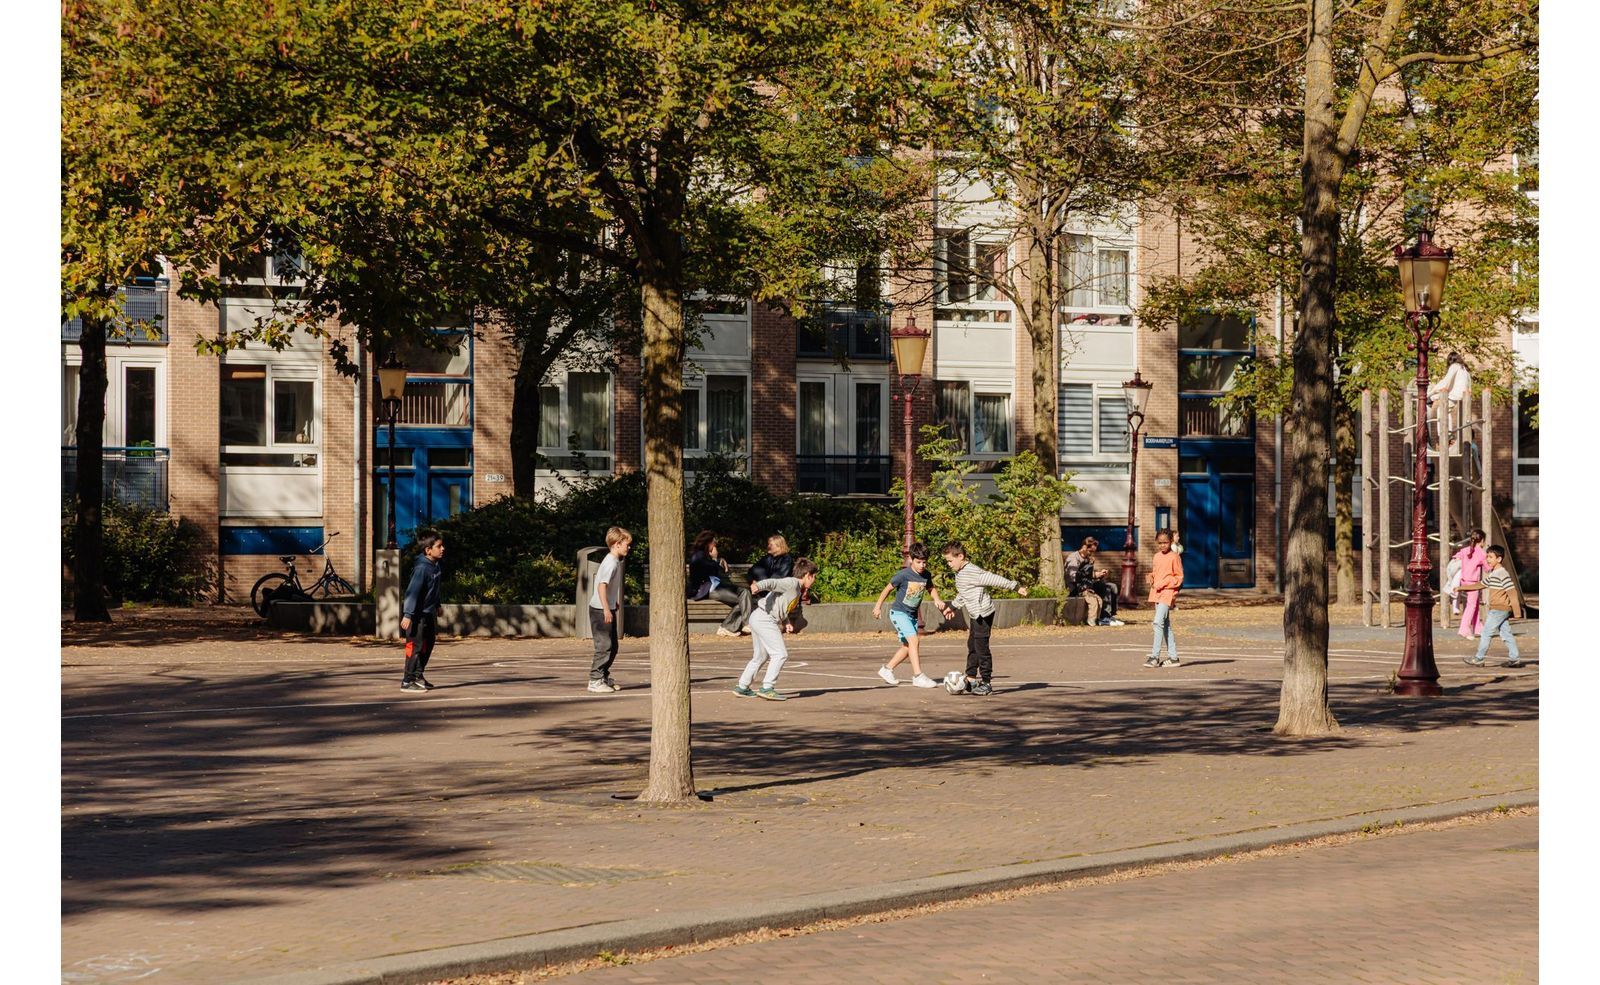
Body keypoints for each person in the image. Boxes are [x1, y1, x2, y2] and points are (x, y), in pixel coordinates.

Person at [941, 542, 1026, 696]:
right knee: (972, 644)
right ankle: (971, 679)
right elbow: (965, 592)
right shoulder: (960, 572)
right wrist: (953, 606)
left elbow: (994, 579)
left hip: (983, 614)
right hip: (975, 614)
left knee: (981, 648)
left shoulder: (973, 571)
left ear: (960, 556)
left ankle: (986, 683)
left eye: (950, 561)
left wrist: (1015, 586)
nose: (949, 564)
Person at [732, 558, 819, 701]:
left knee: (760, 656)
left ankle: (742, 686)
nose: (814, 580)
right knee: (780, 654)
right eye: (814, 577)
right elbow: (773, 583)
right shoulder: (792, 583)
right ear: (808, 575)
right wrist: (758, 586)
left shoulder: (796, 588)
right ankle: (767, 688)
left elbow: (779, 606)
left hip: (759, 617)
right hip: (765, 619)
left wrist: (786, 622)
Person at [872, 542, 955, 688]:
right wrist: (878, 607)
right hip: (899, 613)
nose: (922, 565)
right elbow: (887, 589)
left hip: (912, 615)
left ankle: (887, 669)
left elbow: (931, 588)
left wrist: (937, 599)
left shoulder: (926, 575)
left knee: (908, 646)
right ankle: (918, 676)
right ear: (911, 559)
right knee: (914, 641)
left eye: (924, 562)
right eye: (918, 562)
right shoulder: (903, 575)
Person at [1458, 545, 1524, 668]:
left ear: (1499, 559)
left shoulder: (1502, 573)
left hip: (1499, 610)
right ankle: (1514, 659)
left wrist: (1517, 612)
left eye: (1490, 557)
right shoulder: (1494, 573)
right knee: (1506, 634)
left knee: (1486, 633)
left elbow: (1512, 592)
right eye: (1487, 556)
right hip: (1499, 609)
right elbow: (1481, 584)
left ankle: (1479, 658)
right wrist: (1461, 588)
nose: (1487, 559)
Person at [587, 526, 632, 693]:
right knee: (604, 646)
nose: (629, 547)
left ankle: (603, 676)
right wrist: (606, 608)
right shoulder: (611, 563)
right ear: (617, 544)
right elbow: (601, 586)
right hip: (600, 610)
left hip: (606, 607)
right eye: (627, 544)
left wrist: (613, 603)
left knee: (613, 647)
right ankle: (595, 680)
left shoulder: (615, 561)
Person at [400, 530, 446, 692]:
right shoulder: (421, 568)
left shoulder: (435, 565)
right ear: (428, 550)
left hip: (428, 613)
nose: (442, 549)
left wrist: (437, 605)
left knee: (428, 645)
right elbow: (412, 592)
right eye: (439, 546)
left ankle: (418, 676)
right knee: (415, 647)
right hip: (416, 616)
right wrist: (408, 614)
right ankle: (407, 681)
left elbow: (433, 589)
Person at [687, 530, 753, 638]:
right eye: (714, 543)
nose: (715, 545)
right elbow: (708, 569)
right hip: (706, 590)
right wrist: (715, 559)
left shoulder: (705, 555)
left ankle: (740, 625)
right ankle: (729, 627)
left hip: (716, 586)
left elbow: (715, 569)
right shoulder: (698, 556)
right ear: (708, 543)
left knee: (744, 592)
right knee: (743, 601)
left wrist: (718, 560)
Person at [1143, 530, 1183, 668]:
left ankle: (1154, 656)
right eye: (1160, 543)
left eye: (1165, 542)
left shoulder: (1174, 557)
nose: (1162, 545)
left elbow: (1179, 577)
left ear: (1171, 541)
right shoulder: (1156, 556)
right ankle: (1173, 657)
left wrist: (1164, 583)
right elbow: (1156, 572)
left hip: (1167, 593)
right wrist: (1151, 577)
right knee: (1165, 625)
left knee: (1157, 623)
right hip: (1157, 593)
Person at [1071, 537, 1124, 626]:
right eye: (1090, 551)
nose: (1091, 553)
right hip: (1079, 587)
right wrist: (1093, 576)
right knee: (1105, 588)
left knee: (1112, 587)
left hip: (1088, 583)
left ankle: (1109, 616)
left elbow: (1089, 574)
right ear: (1084, 547)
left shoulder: (1088, 558)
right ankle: (1104, 617)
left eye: (1093, 552)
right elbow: (1073, 576)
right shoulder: (1074, 558)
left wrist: (1099, 574)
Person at [1452, 528, 1488, 640]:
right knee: (1471, 606)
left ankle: (1478, 628)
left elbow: (1456, 557)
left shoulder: (1465, 550)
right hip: (1473, 583)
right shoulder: (1482, 553)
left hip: (1463, 581)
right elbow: (1488, 568)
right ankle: (1464, 629)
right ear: (1482, 541)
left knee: (1474, 604)